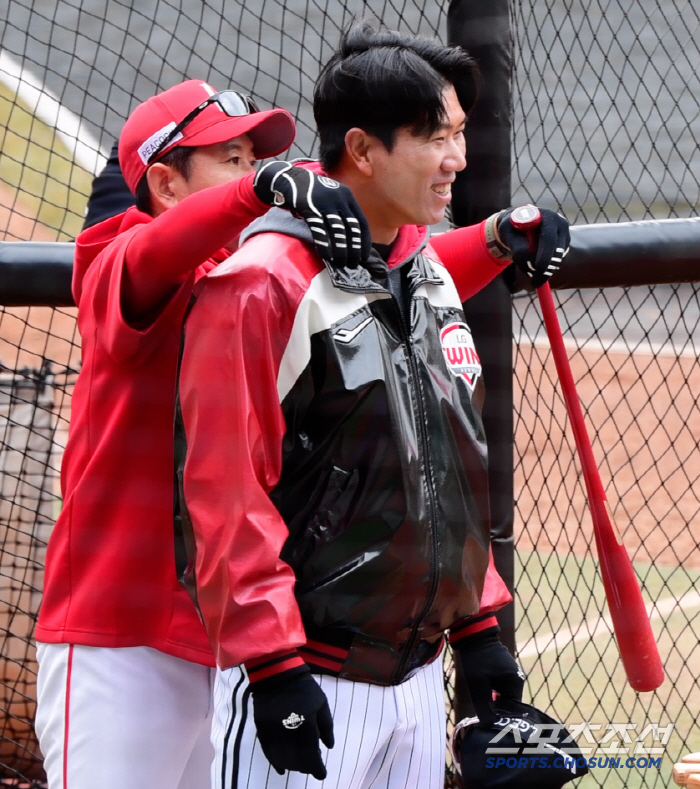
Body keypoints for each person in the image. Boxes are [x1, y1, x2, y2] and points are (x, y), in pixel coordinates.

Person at [177, 23, 569, 789]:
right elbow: (224, 493)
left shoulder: (424, 271)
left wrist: (479, 629)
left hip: (420, 687)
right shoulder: (261, 284)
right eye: (434, 138)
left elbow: (445, 471)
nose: (458, 159)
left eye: (459, 134)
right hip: (305, 687)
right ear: (361, 149)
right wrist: (272, 666)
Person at [33, 78, 373, 789]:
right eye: (231, 158)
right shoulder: (117, 259)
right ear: (164, 181)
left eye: (255, 159)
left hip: (220, 644)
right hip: (117, 642)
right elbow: (155, 254)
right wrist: (261, 193)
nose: (251, 176)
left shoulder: (248, 276)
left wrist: (493, 245)